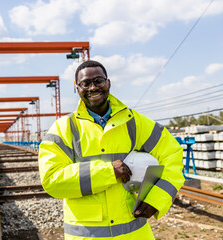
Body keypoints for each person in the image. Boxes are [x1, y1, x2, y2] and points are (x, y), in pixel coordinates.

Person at [38, 60, 184, 239]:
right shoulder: (64, 129)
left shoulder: (134, 122)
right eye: (85, 83)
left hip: (134, 234)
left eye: (98, 81)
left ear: (108, 83)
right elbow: (51, 179)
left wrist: (157, 199)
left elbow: (172, 155)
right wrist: (108, 172)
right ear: (77, 89)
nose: (93, 87)